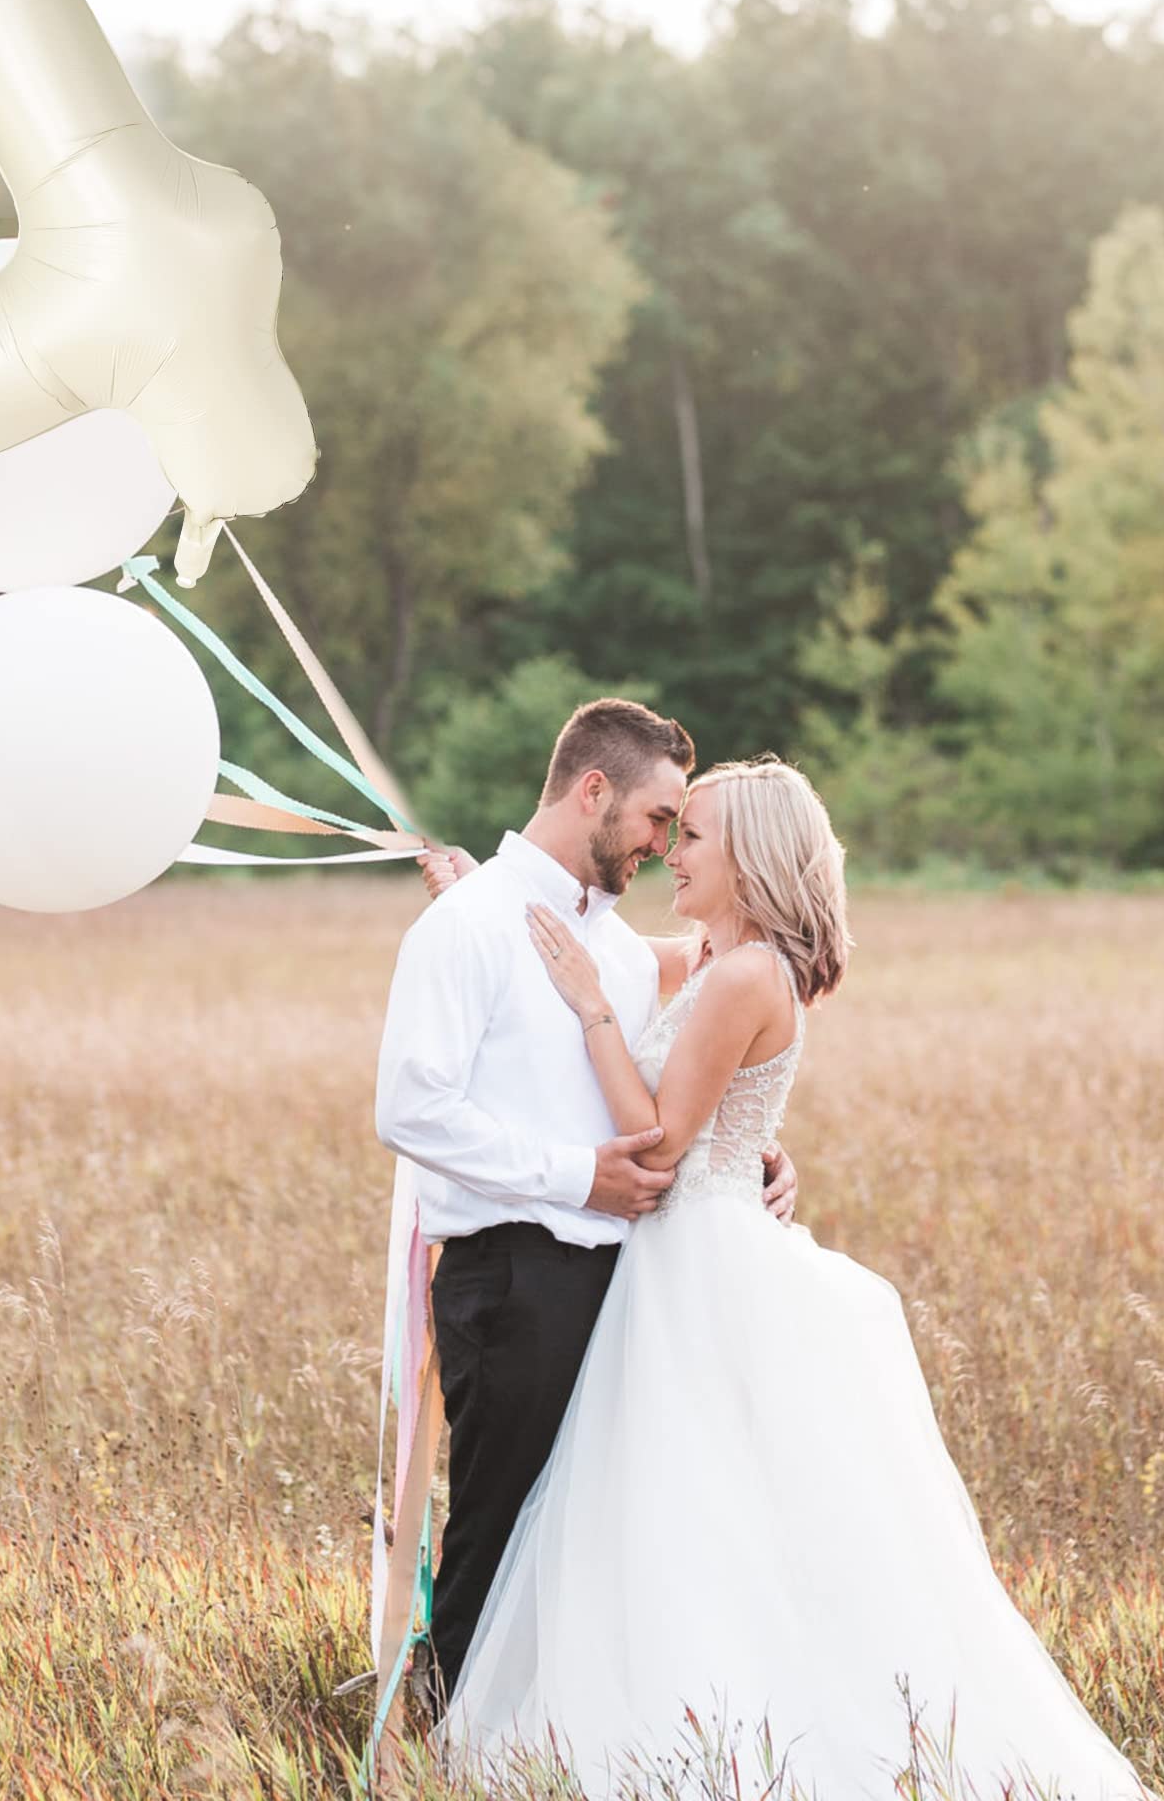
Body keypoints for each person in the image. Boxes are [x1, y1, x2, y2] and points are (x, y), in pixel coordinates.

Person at [423, 757, 1160, 1801]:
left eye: (692, 837)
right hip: (677, 1257)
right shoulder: (712, 956)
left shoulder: (743, 975)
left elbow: (658, 1139)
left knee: (695, 1497)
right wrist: (486, 893)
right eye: (672, 832)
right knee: (678, 1506)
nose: (669, 853)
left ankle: (723, 1727)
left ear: (752, 858)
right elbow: (595, 948)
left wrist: (592, 1012)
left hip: (699, 1263)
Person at [374, 700, 802, 1718]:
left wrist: (754, 1153)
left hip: (624, 1280)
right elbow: (411, 1107)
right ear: (593, 791)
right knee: (498, 1523)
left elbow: (694, 1068)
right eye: (657, 818)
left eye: (680, 829)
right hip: (516, 1271)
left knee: (582, 1531)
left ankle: (558, 1728)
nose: (662, 844)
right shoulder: (466, 927)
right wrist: (578, 1177)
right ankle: (451, 1734)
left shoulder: (610, 946)